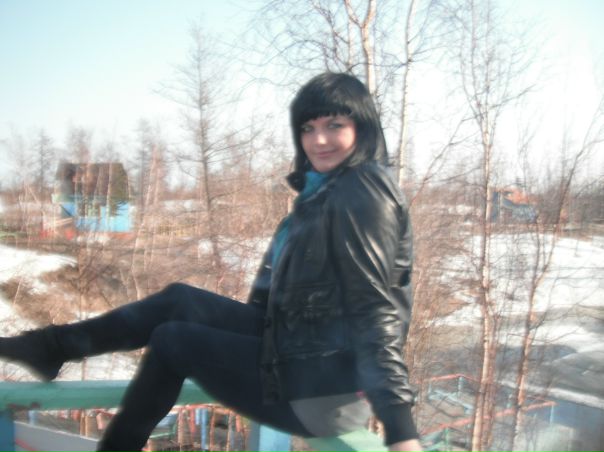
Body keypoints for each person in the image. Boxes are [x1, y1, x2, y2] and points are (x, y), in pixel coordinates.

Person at [0, 72, 422, 452]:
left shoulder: (362, 189)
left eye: (334, 125)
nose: (319, 140)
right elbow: (280, 305)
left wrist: (400, 429)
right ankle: (51, 346)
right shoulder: (324, 195)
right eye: (308, 128)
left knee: (173, 340)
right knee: (180, 300)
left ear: (362, 128)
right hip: (300, 360)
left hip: (322, 396)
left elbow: (374, 310)